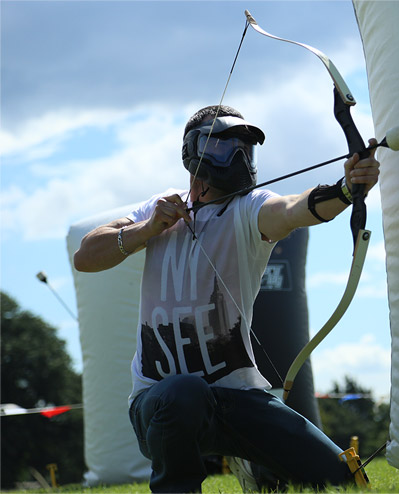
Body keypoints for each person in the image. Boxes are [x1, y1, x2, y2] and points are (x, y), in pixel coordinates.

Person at [73, 105, 380, 493]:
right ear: (192, 150)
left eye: (244, 149)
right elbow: (86, 257)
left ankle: (257, 463)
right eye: (222, 146)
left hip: (238, 401)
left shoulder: (248, 208)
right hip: (158, 404)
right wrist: (147, 229)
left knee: (344, 481)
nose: (236, 157)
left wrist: (346, 189)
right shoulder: (159, 208)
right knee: (184, 391)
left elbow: (292, 210)